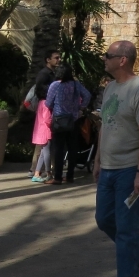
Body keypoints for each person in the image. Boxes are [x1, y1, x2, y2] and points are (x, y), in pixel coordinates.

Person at [94, 41, 139, 277]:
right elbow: (104, 126)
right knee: (104, 219)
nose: (104, 59)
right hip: (108, 167)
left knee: (126, 227)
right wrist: (98, 159)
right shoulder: (111, 87)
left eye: (108, 56)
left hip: (130, 168)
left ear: (123, 60)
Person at [45, 65, 91, 185]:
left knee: (59, 149)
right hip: (73, 120)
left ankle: (58, 177)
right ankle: (70, 176)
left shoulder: (55, 85)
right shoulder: (75, 84)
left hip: (59, 120)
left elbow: (48, 102)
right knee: (72, 149)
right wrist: (81, 109)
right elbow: (87, 95)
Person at [30, 49, 61, 179]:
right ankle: (38, 171)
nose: (58, 60)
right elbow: (39, 90)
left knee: (45, 144)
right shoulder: (44, 74)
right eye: (56, 58)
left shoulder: (53, 73)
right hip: (45, 107)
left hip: (48, 107)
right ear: (48, 60)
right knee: (44, 144)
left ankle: (40, 171)